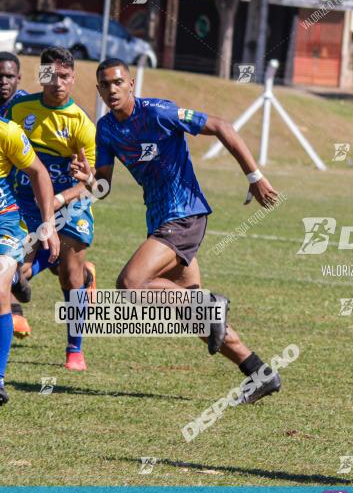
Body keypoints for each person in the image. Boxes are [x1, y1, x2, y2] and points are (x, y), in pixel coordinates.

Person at [74, 57, 282, 403]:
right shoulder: (105, 128)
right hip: (160, 220)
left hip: (184, 214)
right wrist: (89, 180)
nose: (111, 89)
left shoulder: (158, 112)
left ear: (130, 85)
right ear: (98, 89)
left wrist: (254, 176)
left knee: (130, 284)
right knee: (195, 317)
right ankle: (260, 373)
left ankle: (207, 305)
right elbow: (105, 187)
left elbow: (221, 126)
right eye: (104, 84)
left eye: (117, 82)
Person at [7, 47, 97, 370]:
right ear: (41, 75)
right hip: (26, 201)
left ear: (73, 78)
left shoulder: (82, 124)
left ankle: (75, 349)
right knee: (18, 270)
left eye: (64, 76)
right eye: (51, 74)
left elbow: (95, 184)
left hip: (69, 205)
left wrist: (74, 187)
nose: (57, 82)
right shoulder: (19, 108)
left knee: (70, 276)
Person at [0, 106, 60, 404]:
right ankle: (17, 279)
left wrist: (48, 222)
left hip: (6, 222)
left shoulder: (8, 131)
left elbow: (38, 172)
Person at [0, 51, 33, 338]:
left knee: (65, 267)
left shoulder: (26, 106)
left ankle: (86, 276)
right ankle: (15, 289)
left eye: (8, 76)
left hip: (26, 195)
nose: (3, 82)